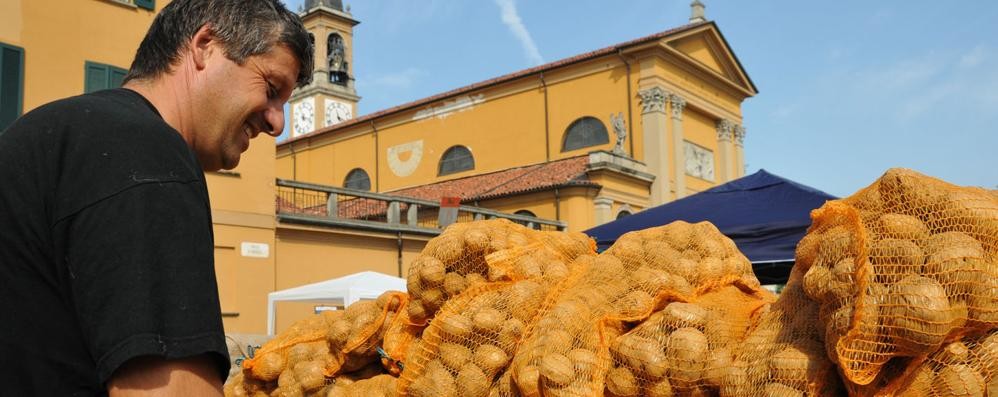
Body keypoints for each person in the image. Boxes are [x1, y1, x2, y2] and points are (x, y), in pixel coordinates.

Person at [0, 0, 313, 395]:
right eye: (270, 89)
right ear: (205, 46)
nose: (277, 123)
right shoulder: (147, 151)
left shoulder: (52, 134)